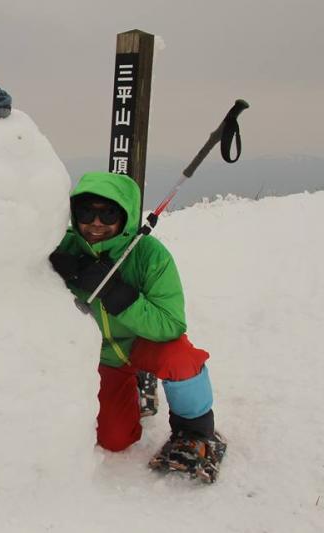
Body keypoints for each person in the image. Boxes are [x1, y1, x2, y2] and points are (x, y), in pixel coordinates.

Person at [49, 171, 226, 481]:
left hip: (142, 343)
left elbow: (171, 324)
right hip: (101, 358)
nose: (96, 222)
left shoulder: (148, 254)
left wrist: (117, 294)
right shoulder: (60, 247)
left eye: (109, 213)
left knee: (180, 358)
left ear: (126, 216)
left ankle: (195, 431)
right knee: (115, 440)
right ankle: (138, 386)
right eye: (86, 211)